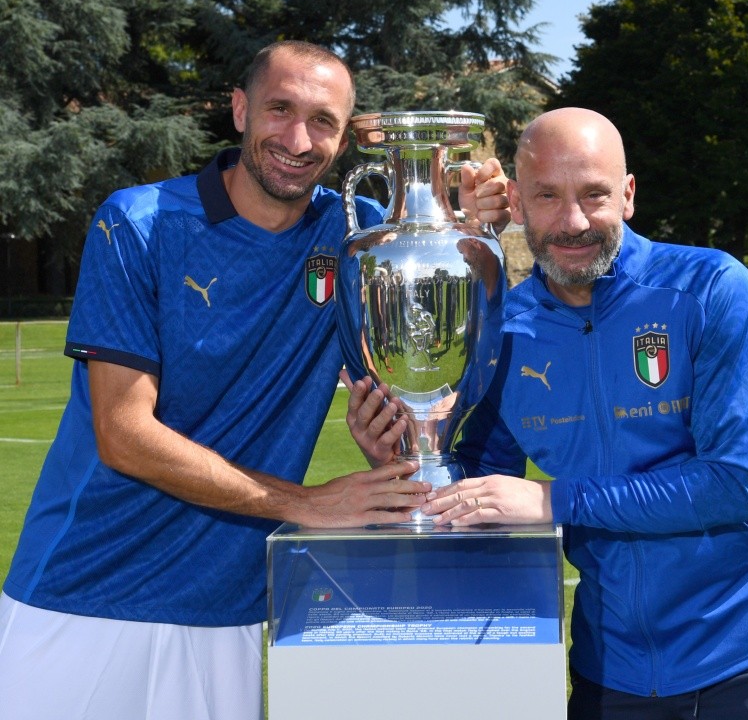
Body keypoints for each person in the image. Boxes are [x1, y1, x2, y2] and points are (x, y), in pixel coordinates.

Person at [0, 40, 509, 720]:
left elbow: (427, 291)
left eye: (323, 121)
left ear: (344, 138)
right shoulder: (141, 222)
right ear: (240, 111)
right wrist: (306, 503)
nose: (298, 140)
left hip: (230, 616)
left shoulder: (353, 239)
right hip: (84, 594)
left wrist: (467, 214)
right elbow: (124, 435)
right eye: (279, 109)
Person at [347, 107, 748, 718]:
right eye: (548, 197)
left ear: (629, 194)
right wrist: (408, 459)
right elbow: (479, 477)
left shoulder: (709, 289)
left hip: (744, 658)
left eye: (595, 195)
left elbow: (733, 484)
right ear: (516, 202)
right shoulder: (502, 325)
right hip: (610, 668)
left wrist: (553, 502)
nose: (574, 222)